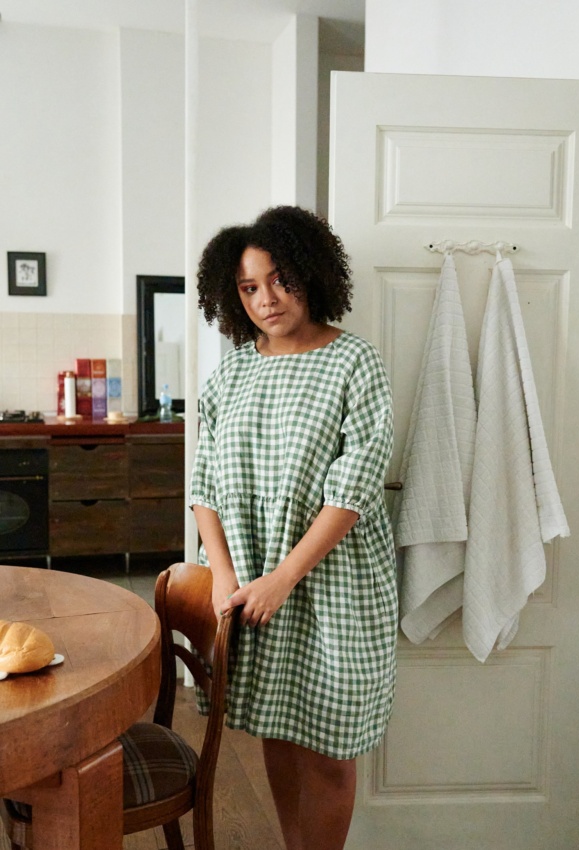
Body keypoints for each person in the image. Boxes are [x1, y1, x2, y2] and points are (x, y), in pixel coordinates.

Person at [190, 205, 397, 850]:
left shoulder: (353, 362)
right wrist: (225, 576)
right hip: (251, 587)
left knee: (332, 749)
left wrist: (285, 577)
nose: (267, 299)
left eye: (280, 279)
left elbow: (356, 484)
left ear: (311, 274)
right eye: (249, 287)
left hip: (335, 586)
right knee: (278, 732)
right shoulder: (232, 371)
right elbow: (204, 482)